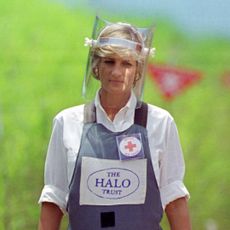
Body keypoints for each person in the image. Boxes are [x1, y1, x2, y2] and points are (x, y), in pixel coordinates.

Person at [38, 16, 191, 230]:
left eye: (126, 63)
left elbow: (174, 200)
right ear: (96, 65)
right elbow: (54, 199)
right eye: (109, 61)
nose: (117, 72)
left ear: (138, 70)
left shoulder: (160, 122)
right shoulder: (67, 122)